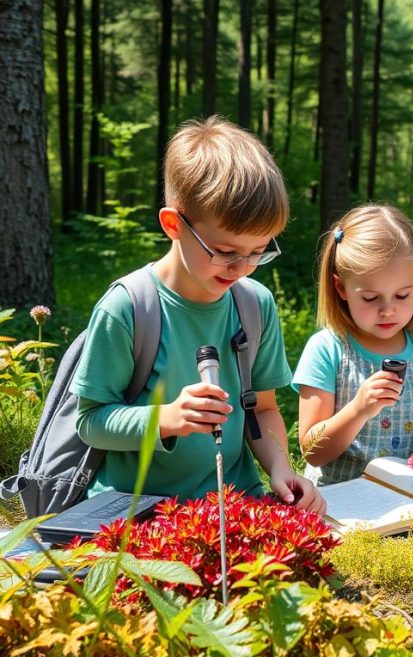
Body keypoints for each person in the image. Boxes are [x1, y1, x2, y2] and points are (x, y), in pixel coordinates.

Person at [71, 116, 324, 513]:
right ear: (174, 224)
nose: (242, 267)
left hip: (233, 501)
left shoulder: (254, 305)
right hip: (136, 511)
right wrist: (168, 418)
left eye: (258, 252)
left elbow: (263, 408)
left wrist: (280, 466)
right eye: (225, 252)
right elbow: (90, 422)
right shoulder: (128, 308)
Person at [293, 204, 413, 486]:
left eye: (402, 295)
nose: (388, 310)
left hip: (411, 497)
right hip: (340, 503)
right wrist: (358, 409)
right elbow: (312, 452)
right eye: (371, 298)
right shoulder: (327, 349)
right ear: (341, 289)